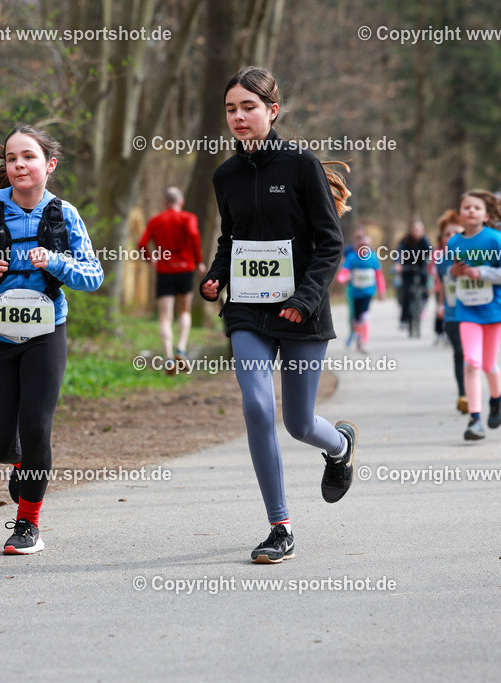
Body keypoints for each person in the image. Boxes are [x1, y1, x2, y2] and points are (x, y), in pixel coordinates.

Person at [200, 66, 356, 564]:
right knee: (257, 408)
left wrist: (305, 298)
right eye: (231, 109)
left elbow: (331, 243)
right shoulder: (225, 176)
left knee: (298, 423)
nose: (239, 117)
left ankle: (339, 445)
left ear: (272, 111)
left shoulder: (300, 165)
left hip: (301, 311)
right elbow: (232, 237)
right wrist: (216, 274)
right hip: (247, 309)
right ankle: (279, 526)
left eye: (249, 107)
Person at [0, 123, 104, 555]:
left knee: (36, 427)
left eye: (28, 157)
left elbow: (93, 276)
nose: (18, 164)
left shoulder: (64, 214)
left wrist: (56, 262)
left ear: (49, 165)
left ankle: (27, 525)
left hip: (45, 332)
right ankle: (18, 461)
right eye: (11, 158)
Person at [447, 190, 501, 441]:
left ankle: (498, 398)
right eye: (466, 207)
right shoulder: (454, 243)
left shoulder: (495, 239)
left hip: (495, 309)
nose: (471, 211)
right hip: (467, 309)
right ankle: (475, 419)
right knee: (472, 362)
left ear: (486, 215)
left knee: (488, 364)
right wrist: (454, 272)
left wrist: (483, 272)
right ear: (460, 214)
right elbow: (449, 274)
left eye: (476, 208)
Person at [138, 187, 205, 373]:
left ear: (165, 203)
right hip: (185, 270)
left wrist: (150, 259)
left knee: (165, 317)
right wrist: (199, 261)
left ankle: (168, 358)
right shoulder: (188, 218)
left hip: (164, 272)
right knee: (184, 311)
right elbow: (193, 235)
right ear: (181, 202)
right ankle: (181, 350)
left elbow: (142, 243)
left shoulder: (156, 220)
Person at [433, 210, 466, 414]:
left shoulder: (474, 255)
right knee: (459, 353)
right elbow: (443, 286)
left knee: (471, 356)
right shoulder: (441, 261)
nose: (452, 236)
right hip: (452, 314)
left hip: (475, 313)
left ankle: (471, 389)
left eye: (457, 232)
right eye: (447, 233)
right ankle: (463, 395)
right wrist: (440, 304)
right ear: (442, 238)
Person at [337, 229, 385, 354]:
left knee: (365, 316)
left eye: (366, 247)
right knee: (356, 318)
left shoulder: (373, 258)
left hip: (368, 292)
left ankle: (364, 341)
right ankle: (358, 336)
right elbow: (344, 272)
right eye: (360, 247)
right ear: (356, 247)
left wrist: (381, 291)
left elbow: (379, 275)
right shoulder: (352, 257)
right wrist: (343, 279)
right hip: (354, 293)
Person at [394, 221, 432, 333]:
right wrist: (398, 264)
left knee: (425, 283)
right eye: (414, 229)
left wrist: (430, 262)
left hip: (420, 267)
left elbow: (431, 252)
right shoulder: (405, 241)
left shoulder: (424, 241)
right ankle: (403, 319)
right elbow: (399, 253)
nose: (416, 232)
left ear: (422, 231)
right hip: (407, 268)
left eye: (419, 230)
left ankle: (422, 305)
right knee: (406, 293)